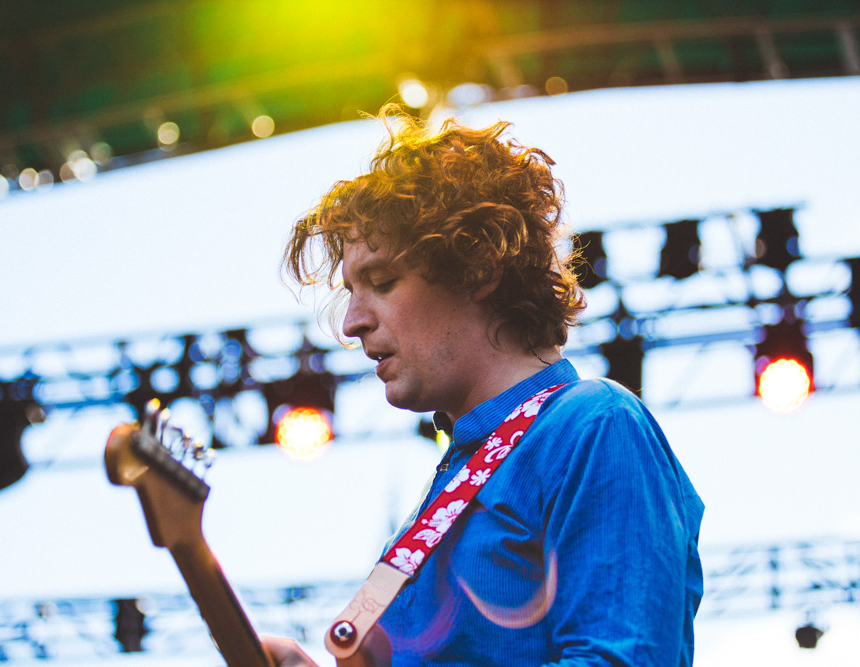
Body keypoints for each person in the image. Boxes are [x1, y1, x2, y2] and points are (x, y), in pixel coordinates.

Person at [267, 106, 704, 666]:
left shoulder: (594, 424)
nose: (352, 322)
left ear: (477, 267)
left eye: (381, 281)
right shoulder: (446, 491)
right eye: (351, 290)